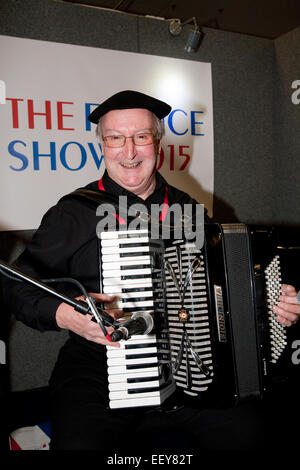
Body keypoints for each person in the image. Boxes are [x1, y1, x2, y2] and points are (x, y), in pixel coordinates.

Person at [3, 90, 300, 453]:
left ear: (157, 143)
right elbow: (14, 284)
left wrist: (269, 302)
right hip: (101, 365)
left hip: (190, 365)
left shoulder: (187, 208)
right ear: (102, 145)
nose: (129, 152)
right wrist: (68, 316)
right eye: (115, 139)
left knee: (251, 435)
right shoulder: (75, 211)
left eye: (141, 137)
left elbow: (225, 281)